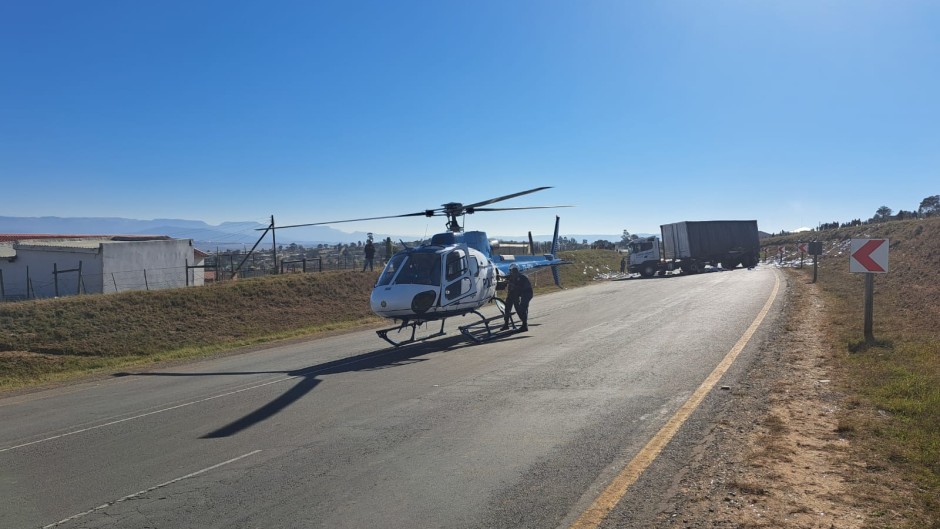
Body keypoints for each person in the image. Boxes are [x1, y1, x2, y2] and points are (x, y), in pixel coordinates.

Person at [501, 264, 533, 332]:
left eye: (513, 271)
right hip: (516, 294)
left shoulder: (521, 277)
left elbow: (518, 287)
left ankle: (524, 325)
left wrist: (509, 283)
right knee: (507, 307)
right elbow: (507, 277)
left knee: (521, 309)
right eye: (512, 271)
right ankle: (506, 324)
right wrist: (500, 276)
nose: (512, 272)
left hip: (527, 293)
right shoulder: (512, 276)